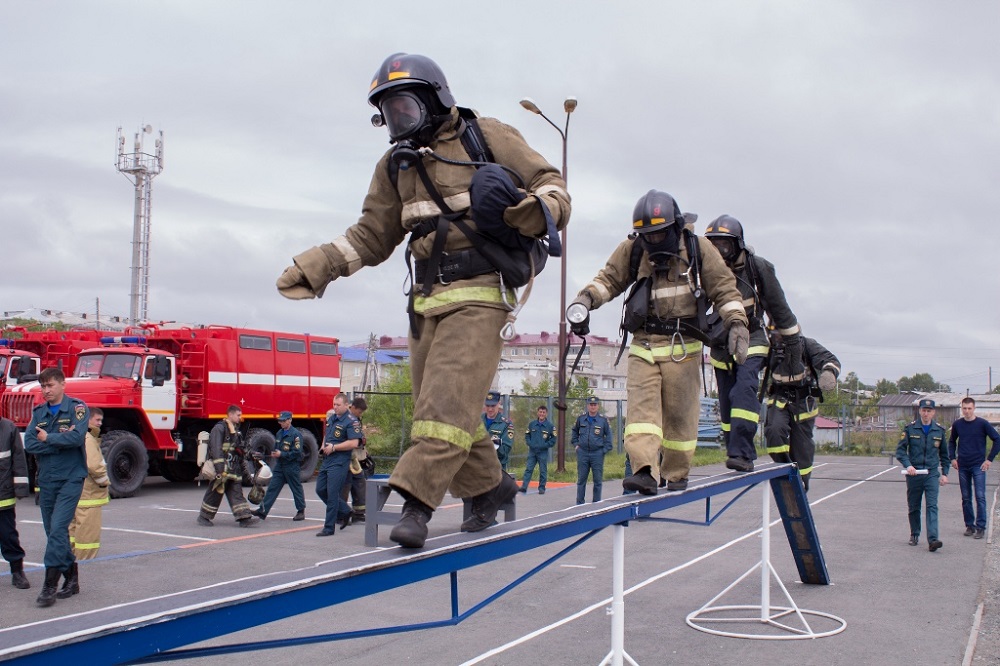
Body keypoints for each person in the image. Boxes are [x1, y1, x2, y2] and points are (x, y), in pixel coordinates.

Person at [277, 53, 570, 548]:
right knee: (444, 409)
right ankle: (491, 485)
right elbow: (372, 235)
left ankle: (417, 503)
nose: (398, 122)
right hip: (425, 302)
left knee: (443, 408)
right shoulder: (395, 165)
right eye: (389, 113)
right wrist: (319, 264)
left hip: (481, 294)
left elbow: (552, 185)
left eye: (406, 108)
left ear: (435, 99)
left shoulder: (487, 136)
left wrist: (536, 210)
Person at [569, 190, 749, 495]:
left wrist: (736, 323)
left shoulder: (698, 248)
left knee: (680, 418)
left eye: (659, 235)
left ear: (675, 227)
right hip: (644, 345)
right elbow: (609, 279)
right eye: (646, 236)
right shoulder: (633, 249)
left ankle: (676, 472)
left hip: (684, 348)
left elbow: (724, 289)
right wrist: (585, 300)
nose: (652, 241)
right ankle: (644, 471)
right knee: (641, 415)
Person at [704, 215, 801, 473]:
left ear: (738, 245)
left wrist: (794, 347)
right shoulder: (706, 271)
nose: (719, 252)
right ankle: (733, 448)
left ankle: (743, 453)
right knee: (726, 401)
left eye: (724, 245)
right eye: (712, 246)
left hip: (753, 339)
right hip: (720, 346)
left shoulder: (758, 268)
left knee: (744, 390)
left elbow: (780, 310)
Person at [23, 367, 88, 607]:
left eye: (50, 385)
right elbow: (30, 443)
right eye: (43, 386)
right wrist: (59, 443)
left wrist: (48, 438)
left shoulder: (77, 409)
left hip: (71, 478)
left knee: (59, 527)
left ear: (62, 385)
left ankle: (49, 585)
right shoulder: (38, 412)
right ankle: (72, 577)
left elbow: (77, 438)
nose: (46, 390)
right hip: (48, 479)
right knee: (53, 532)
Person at [762, 334, 840, 491]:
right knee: (775, 431)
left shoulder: (806, 344)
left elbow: (831, 360)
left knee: (802, 449)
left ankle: (802, 482)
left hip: (803, 404)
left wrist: (829, 372)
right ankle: (784, 470)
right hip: (779, 398)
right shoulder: (769, 345)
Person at [896, 398, 950, 552]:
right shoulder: (910, 429)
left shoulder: (939, 431)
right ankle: (914, 534)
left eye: (929, 411)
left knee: (932, 505)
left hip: (931, 473)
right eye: (923, 410)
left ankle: (933, 539)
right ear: (919, 411)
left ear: (933, 412)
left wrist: (945, 473)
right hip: (914, 473)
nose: (926, 413)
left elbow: (945, 455)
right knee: (914, 506)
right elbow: (900, 451)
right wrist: (908, 465)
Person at [197, 405, 259, 529]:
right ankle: (204, 517)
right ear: (230, 415)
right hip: (222, 469)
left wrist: (253, 455)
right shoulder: (219, 429)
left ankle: (244, 518)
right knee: (214, 493)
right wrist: (220, 470)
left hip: (233, 469)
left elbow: (241, 449)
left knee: (236, 493)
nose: (240, 418)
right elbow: (216, 449)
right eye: (238, 415)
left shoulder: (236, 431)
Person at [948, 397, 1000, 539]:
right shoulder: (958, 424)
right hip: (963, 465)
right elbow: (952, 441)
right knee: (966, 497)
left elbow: (997, 439)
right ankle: (970, 525)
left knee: (980, 496)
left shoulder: (982, 424)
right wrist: (952, 458)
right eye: (964, 408)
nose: (967, 411)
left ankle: (981, 527)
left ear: (974, 408)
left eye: (969, 408)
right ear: (961, 409)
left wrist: (989, 460)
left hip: (978, 465)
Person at [316, 394, 361, 537]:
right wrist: (323, 446)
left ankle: (329, 528)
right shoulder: (332, 418)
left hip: (340, 461)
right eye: (334, 404)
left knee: (332, 493)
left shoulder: (351, 421)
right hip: (328, 459)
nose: (335, 407)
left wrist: (334, 447)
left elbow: (354, 443)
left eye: (338, 405)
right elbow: (327, 434)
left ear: (346, 405)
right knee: (320, 489)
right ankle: (345, 510)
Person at [69, 407, 109, 559]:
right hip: (89, 494)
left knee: (73, 529)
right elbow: (93, 465)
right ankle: (86, 561)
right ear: (88, 419)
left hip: (77, 492)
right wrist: (104, 482)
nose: (100, 423)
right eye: (97, 420)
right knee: (87, 532)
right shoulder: (88, 439)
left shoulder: (76, 436)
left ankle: (72, 556)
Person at [252, 411, 306, 522]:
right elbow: (277, 448)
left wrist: (282, 454)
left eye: (283, 420)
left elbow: (297, 452)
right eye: (280, 421)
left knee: (296, 488)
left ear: (290, 420)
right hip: (280, 465)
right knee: (272, 487)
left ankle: (301, 511)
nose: (281, 423)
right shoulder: (279, 433)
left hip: (291, 465)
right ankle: (263, 510)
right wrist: (273, 453)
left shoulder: (296, 435)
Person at [0, 415, 31, 590]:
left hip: (2, 497)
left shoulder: (8, 428)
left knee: (8, 537)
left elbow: (18, 459)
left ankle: (17, 571)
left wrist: (20, 488)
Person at [572, 397, 612, 504]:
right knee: (581, 480)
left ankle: (596, 503)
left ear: (598, 406)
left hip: (597, 453)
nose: (592, 406)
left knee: (597, 481)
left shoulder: (603, 420)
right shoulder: (581, 419)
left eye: (595, 404)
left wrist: (604, 450)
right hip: (583, 452)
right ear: (587, 405)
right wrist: (576, 445)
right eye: (591, 404)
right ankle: (580, 503)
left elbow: (608, 436)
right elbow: (574, 432)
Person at [339, 396, 370, 522]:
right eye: (360, 411)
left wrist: (365, 452)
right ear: (353, 407)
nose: (360, 414)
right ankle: (342, 514)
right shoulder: (343, 418)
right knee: (345, 486)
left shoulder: (355, 419)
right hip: (345, 458)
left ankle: (359, 513)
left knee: (360, 483)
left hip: (355, 458)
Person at [521, 405, 555, 494]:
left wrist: (545, 445)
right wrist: (529, 443)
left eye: (543, 412)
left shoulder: (550, 426)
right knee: (528, 469)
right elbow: (527, 435)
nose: (542, 414)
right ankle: (524, 487)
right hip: (532, 451)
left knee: (543, 470)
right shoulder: (532, 424)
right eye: (540, 412)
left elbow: (553, 439)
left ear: (546, 414)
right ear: (537, 413)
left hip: (543, 452)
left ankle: (542, 487)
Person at [482, 391, 513, 472]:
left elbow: (505, 450)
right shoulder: (477, 420)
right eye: (487, 405)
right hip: (478, 466)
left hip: (496, 468)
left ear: (499, 404)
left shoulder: (506, 424)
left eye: (493, 406)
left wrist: (491, 442)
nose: (490, 409)